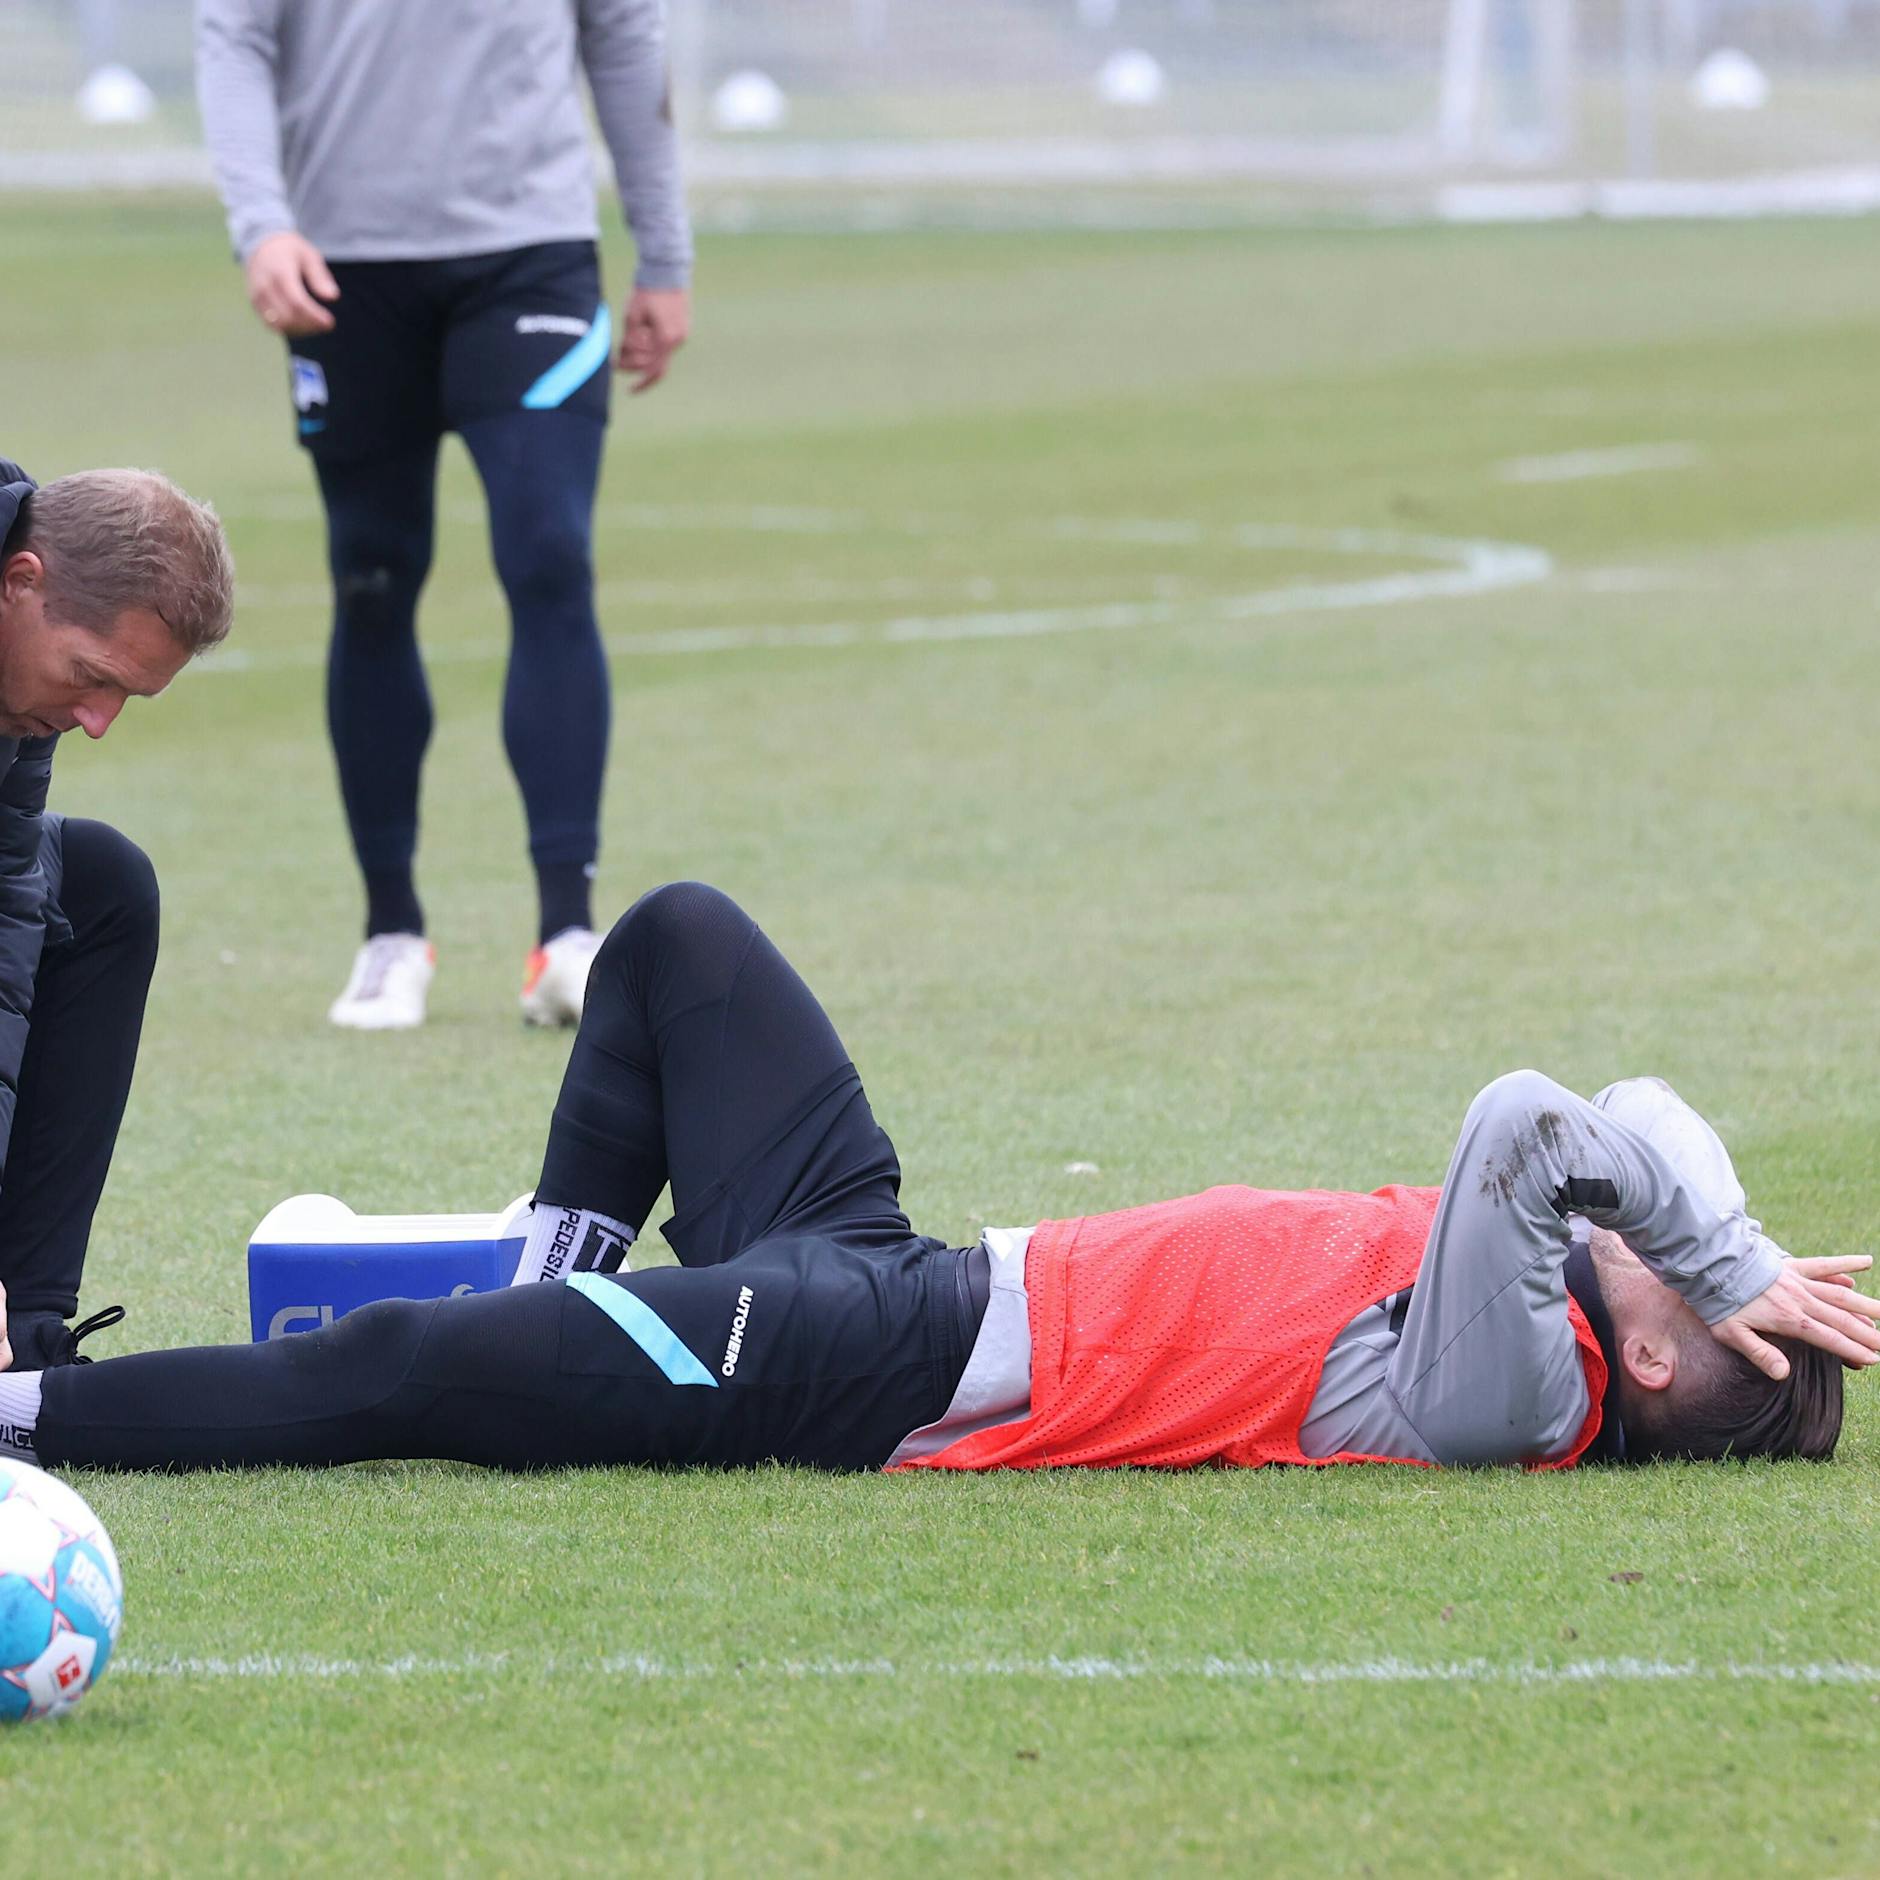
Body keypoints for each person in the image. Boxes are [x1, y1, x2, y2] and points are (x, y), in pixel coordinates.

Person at [3, 882, 1871, 1474]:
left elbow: (1546, 1114)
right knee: (676, 944)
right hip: (901, 1267)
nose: (1665, 1242)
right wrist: (1745, 1259)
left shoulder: (1514, 1391)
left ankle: (25, 1412)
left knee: (397, 1372)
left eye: (1688, 1281)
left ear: (1632, 1359)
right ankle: (551, 1283)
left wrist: (1717, 1244)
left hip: (872, 1368)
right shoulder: (1583, 1302)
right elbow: (1642, 1093)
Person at [195, 0, 694, 1032]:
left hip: (532, 250)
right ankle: (390, 932)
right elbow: (233, 34)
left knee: (550, 553)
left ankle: (567, 935)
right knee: (372, 575)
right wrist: (261, 222)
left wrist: (663, 252)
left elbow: (624, 32)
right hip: (341, 266)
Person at [0, 458, 234, 1372]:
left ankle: (27, 1348)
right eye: (92, 676)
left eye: (126, 697)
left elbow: (7, 945)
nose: (97, 721)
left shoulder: (27, 706)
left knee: (99, 886)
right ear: (23, 585)